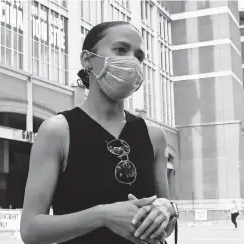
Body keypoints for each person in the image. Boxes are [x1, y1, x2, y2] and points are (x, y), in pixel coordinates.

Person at [20, 21, 178, 244]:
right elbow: (30, 229)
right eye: (121, 50)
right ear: (87, 59)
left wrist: (166, 210)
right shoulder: (58, 131)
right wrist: (102, 216)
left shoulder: (154, 136)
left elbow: (167, 225)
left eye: (139, 56)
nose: (132, 61)